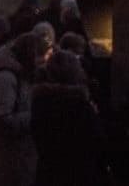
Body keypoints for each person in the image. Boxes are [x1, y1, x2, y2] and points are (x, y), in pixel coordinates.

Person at [30, 50, 108, 186]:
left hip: (48, 173)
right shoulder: (80, 105)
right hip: (80, 173)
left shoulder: (40, 102)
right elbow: (97, 140)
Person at [0, 32, 50, 186]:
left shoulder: (24, 76)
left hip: (21, 155)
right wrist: (34, 118)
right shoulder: (6, 79)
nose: (44, 63)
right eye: (42, 57)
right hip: (10, 157)